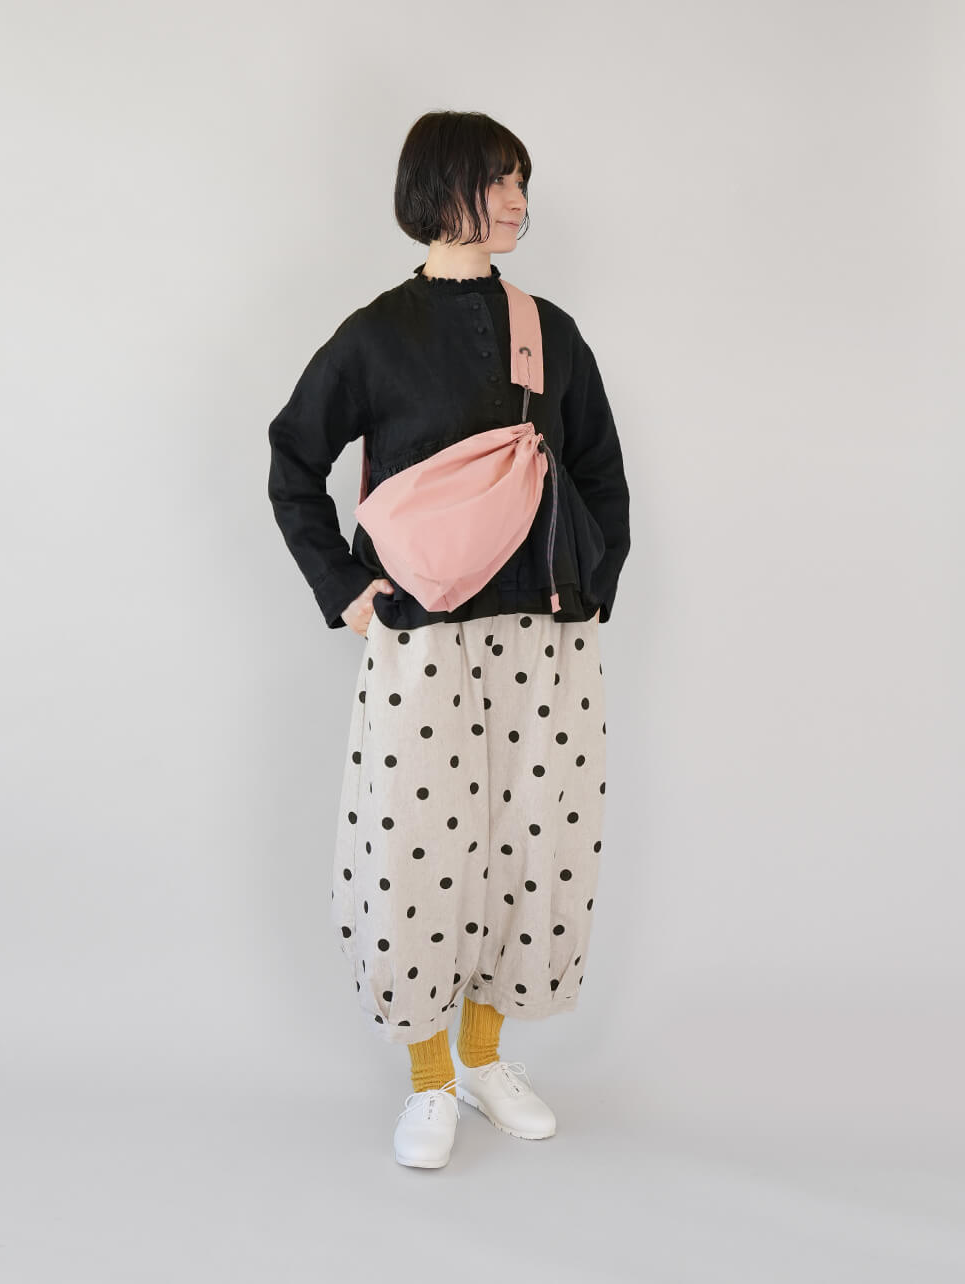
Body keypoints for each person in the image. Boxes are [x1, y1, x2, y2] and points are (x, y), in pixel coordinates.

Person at [267, 110, 630, 1169]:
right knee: (415, 852)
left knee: (531, 844)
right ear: (439, 190)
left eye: (522, 182)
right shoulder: (374, 334)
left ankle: (483, 1058)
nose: (519, 201)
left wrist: (592, 581)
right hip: (422, 636)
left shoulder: (549, 331)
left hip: (545, 635)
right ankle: (429, 1077)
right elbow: (293, 463)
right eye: (498, 181)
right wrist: (348, 592)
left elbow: (599, 468)